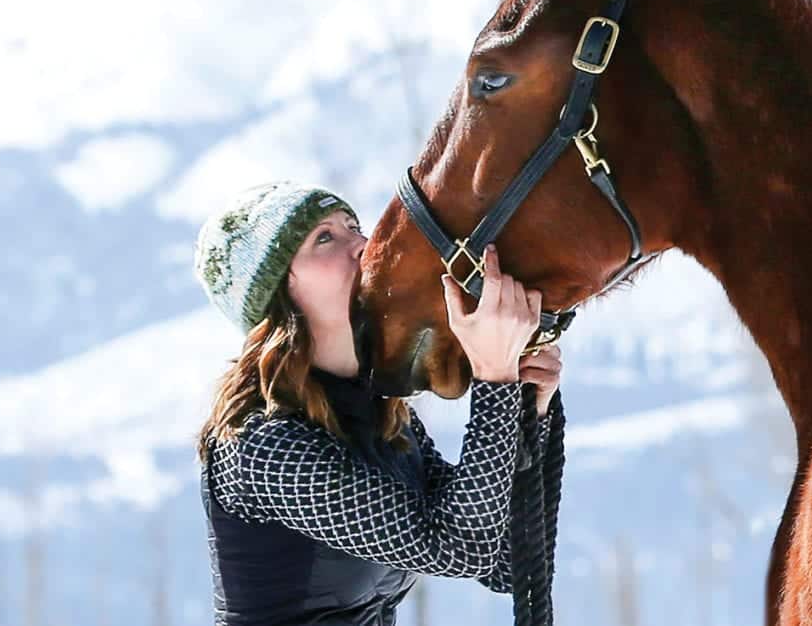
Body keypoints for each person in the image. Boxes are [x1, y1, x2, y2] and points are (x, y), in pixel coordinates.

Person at [192, 180, 563, 626]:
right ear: (278, 294)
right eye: (325, 238)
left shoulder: (383, 417)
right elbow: (462, 549)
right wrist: (494, 379)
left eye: (354, 227)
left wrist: (526, 415)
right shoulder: (263, 445)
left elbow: (507, 563)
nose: (363, 245)